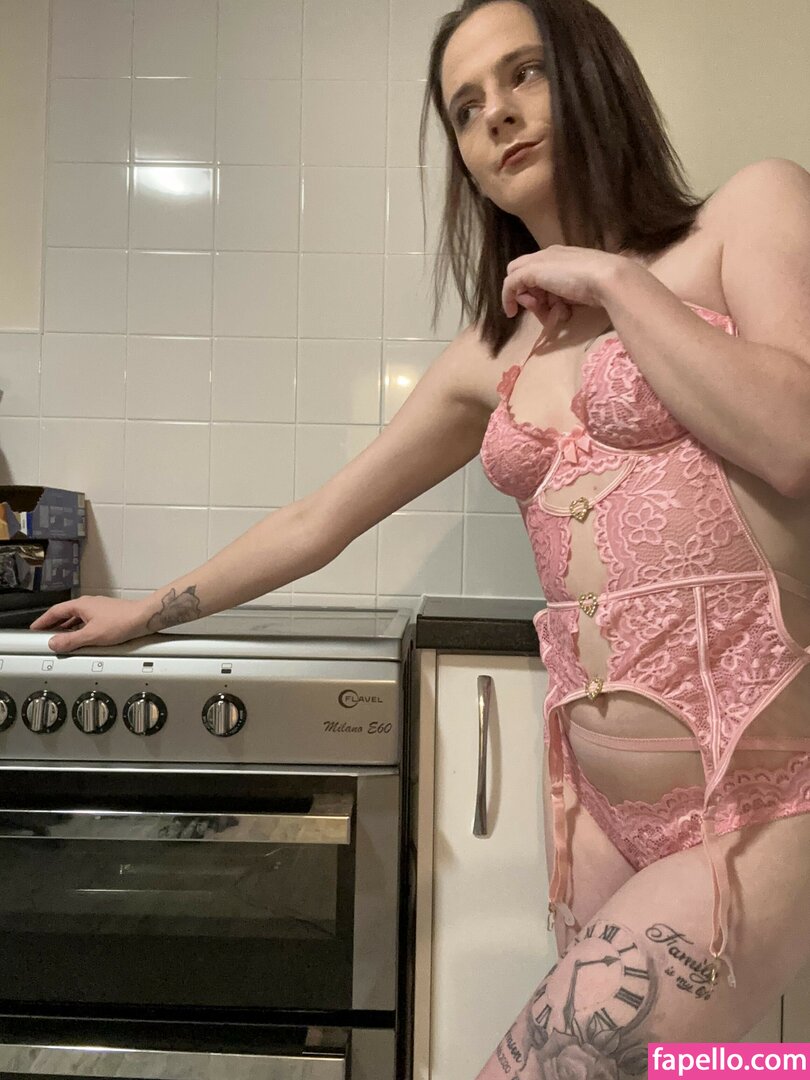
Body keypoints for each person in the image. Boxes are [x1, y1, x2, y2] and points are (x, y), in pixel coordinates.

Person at [31, 0, 810, 1073]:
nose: (498, 117)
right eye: (466, 108)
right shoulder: (495, 354)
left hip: (760, 796)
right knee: (679, 1071)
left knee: (544, 1065)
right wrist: (149, 608)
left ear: (592, 74)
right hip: (598, 815)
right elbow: (320, 519)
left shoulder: (746, 213)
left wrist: (614, 278)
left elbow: (796, 442)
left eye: (524, 74)